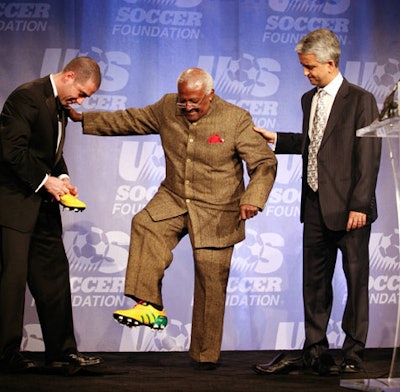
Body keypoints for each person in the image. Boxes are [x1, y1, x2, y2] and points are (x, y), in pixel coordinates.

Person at [69, 67, 277, 370]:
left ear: (210, 95)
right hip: (175, 197)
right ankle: (149, 305)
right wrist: (86, 118)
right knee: (145, 223)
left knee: (210, 278)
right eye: (184, 102)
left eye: (195, 102)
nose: (188, 107)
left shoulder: (235, 119)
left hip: (218, 209)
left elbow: (264, 162)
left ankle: (205, 356)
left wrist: (253, 199)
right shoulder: (168, 107)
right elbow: (131, 119)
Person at [253, 29, 381, 376]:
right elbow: (316, 146)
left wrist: (360, 204)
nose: (306, 73)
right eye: (303, 67)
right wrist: (278, 139)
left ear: (330, 62)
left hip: (350, 209)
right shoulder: (309, 100)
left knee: (355, 283)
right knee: (314, 283)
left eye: (310, 67)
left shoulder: (361, 99)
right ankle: (315, 350)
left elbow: (368, 157)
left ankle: (353, 351)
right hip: (314, 205)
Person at [0, 56, 103, 372]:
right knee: (12, 282)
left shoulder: (59, 106)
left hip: (43, 207)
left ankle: (62, 352)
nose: (81, 101)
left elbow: (49, 154)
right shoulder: (26, 97)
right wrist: (47, 181)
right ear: (70, 75)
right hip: (14, 205)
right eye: (82, 93)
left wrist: (64, 178)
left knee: (54, 278)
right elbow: (11, 150)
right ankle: (6, 356)